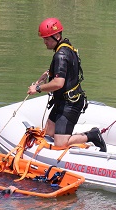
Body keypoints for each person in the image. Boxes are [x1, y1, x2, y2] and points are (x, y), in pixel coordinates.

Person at [27, 17, 106, 152]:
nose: (45, 42)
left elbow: (58, 83)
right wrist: (46, 75)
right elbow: (63, 70)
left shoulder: (60, 55)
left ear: (57, 36)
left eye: (47, 39)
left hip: (71, 104)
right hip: (61, 101)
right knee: (48, 132)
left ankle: (93, 135)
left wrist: (38, 88)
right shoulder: (66, 47)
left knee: (60, 144)